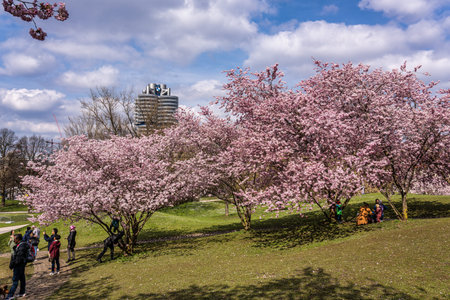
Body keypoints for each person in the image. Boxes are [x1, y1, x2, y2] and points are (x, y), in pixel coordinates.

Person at [7, 234, 29, 299]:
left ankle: (10, 296)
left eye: (15, 239)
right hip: (20, 265)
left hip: (18, 265)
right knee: (22, 279)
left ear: (18, 239)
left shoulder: (22, 246)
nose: (14, 240)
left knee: (15, 281)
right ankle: (22, 292)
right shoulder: (20, 245)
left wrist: (13, 264)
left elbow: (18, 258)